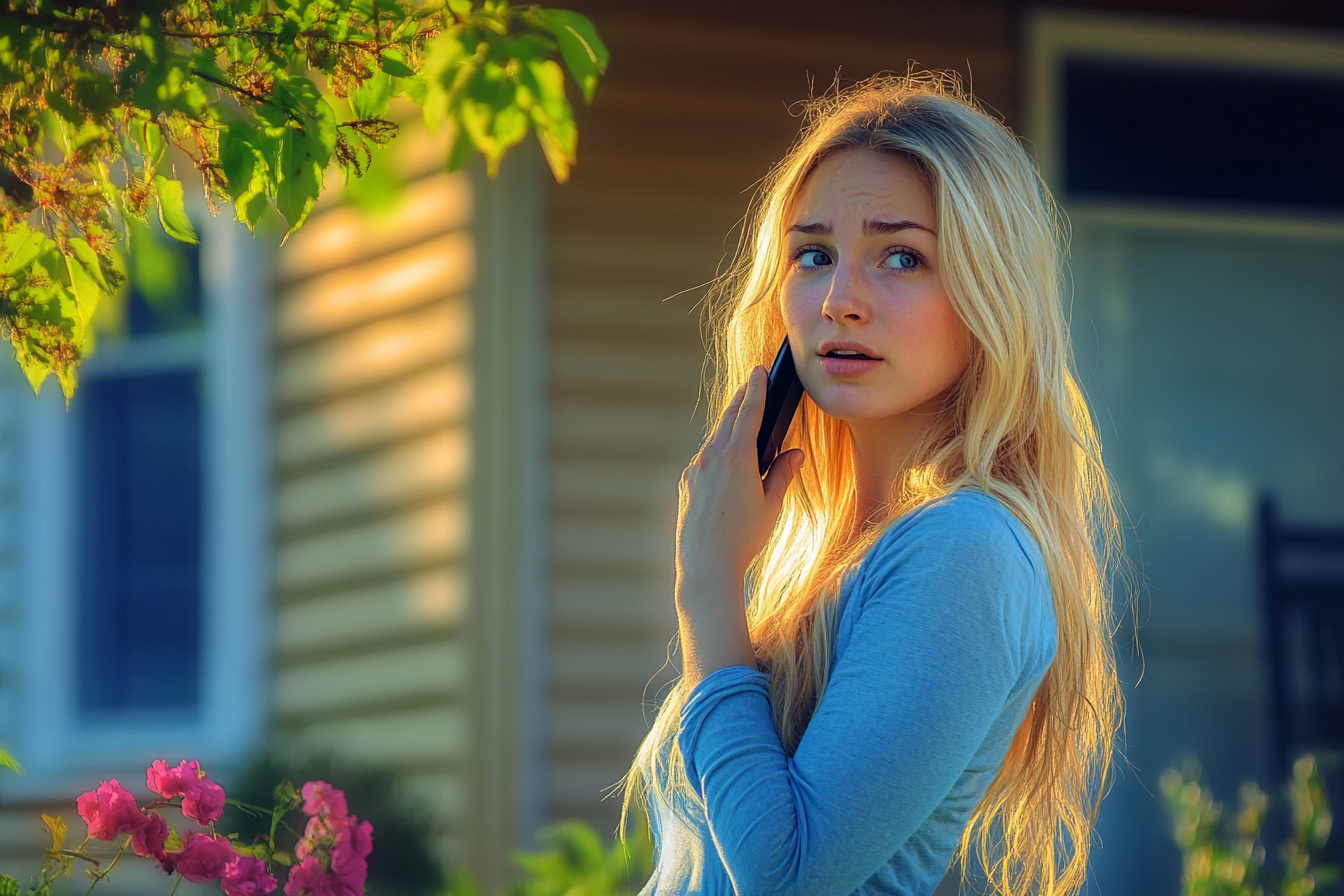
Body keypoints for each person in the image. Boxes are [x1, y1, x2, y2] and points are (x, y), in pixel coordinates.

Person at [619, 72, 1127, 896]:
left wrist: (707, 583)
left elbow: (788, 876)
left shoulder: (969, 550)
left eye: (902, 257)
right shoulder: (831, 555)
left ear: (989, 293)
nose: (841, 300)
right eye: (814, 255)